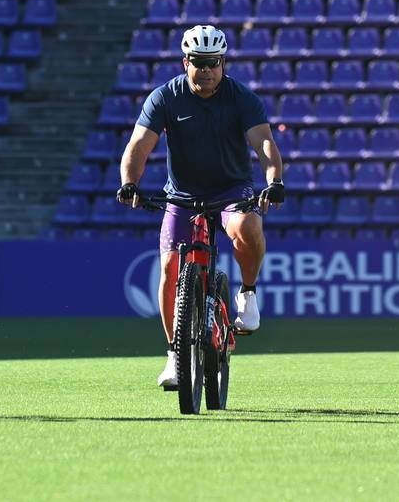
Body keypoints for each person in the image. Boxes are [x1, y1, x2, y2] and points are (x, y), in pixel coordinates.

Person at [117, 24, 285, 389]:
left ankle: (248, 294)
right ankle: (174, 357)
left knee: (248, 228)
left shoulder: (241, 98)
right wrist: (129, 181)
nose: (206, 69)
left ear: (223, 63)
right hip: (182, 196)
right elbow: (138, 146)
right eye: (199, 62)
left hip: (231, 191)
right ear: (185, 62)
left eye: (214, 62)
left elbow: (265, 145)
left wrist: (273, 181)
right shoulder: (166, 97)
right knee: (169, 268)